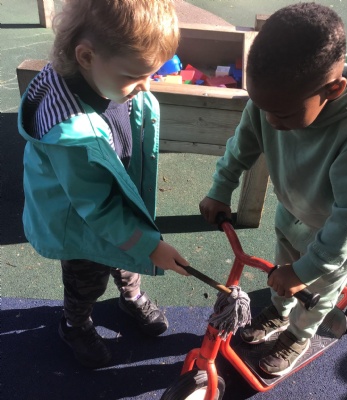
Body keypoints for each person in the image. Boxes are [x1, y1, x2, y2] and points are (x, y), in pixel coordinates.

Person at [199, 2, 347, 377]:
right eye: (262, 107)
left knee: (319, 288)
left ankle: (300, 333)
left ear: (333, 89)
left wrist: (307, 271)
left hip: (336, 231)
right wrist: (221, 187)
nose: (270, 120)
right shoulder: (273, 99)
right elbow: (244, 142)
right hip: (293, 211)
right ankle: (280, 311)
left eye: (282, 114)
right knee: (280, 271)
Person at [18, 0, 190, 369]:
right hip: (80, 226)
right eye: (135, 76)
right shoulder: (71, 136)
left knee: (127, 259)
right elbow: (96, 208)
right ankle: (75, 323)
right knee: (87, 280)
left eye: (151, 75)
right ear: (85, 56)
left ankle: (131, 296)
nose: (144, 87)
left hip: (114, 197)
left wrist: (141, 245)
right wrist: (150, 246)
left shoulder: (106, 79)